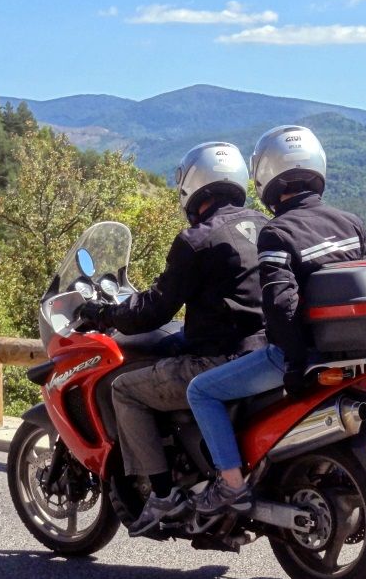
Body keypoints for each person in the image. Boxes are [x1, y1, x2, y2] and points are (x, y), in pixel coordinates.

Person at [78, 142, 268, 535]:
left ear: (193, 186)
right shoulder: (266, 226)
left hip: (221, 361)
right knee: (171, 349)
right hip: (268, 355)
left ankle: (162, 495)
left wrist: (106, 312)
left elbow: (153, 310)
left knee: (127, 390)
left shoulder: (197, 239)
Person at [186, 125, 366, 515]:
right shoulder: (351, 223)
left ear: (266, 179)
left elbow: (281, 303)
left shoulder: (277, 232)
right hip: (353, 353)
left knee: (201, 391)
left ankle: (230, 483)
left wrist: (293, 362)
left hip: (303, 353)